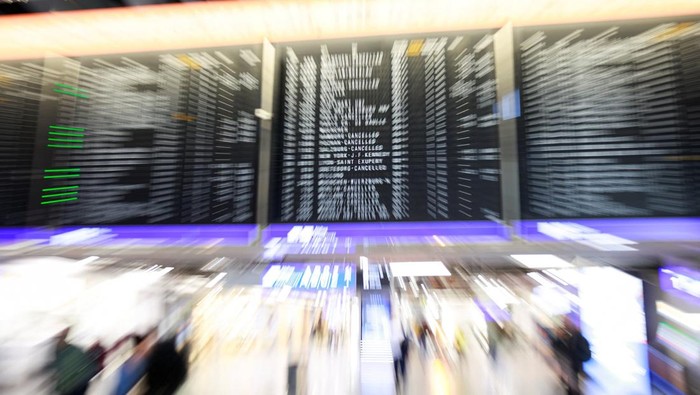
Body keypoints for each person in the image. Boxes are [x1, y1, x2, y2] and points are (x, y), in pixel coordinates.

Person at [51, 328, 98, 395]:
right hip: (74, 385)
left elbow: (90, 364)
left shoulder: (74, 350)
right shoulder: (59, 353)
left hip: (78, 384)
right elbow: (57, 369)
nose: (58, 343)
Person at [550, 318, 591, 395]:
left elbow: (577, 352)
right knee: (572, 383)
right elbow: (561, 351)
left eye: (566, 323)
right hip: (570, 365)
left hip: (573, 365)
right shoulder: (569, 337)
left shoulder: (577, 338)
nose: (565, 325)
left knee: (573, 384)